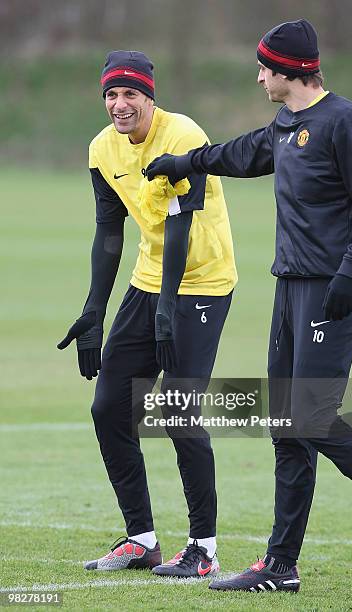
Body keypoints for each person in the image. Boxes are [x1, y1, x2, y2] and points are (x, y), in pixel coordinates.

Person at [146, 20, 352, 598]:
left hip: (333, 290)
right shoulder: (287, 124)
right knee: (288, 425)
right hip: (290, 291)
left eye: (264, 68)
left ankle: (283, 560)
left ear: (290, 72)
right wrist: (190, 163)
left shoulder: (345, 122)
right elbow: (248, 152)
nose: (258, 77)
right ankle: (282, 565)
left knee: (314, 418)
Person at [57, 50, 237, 577]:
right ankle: (141, 539)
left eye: (129, 93)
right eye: (111, 94)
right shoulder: (100, 149)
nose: (119, 104)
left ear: (149, 96)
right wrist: (94, 310)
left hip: (202, 283)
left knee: (179, 411)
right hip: (148, 281)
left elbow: (181, 223)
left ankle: (203, 549)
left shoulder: (183, 136)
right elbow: (109, 231)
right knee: (109, 405)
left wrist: (166, 314)